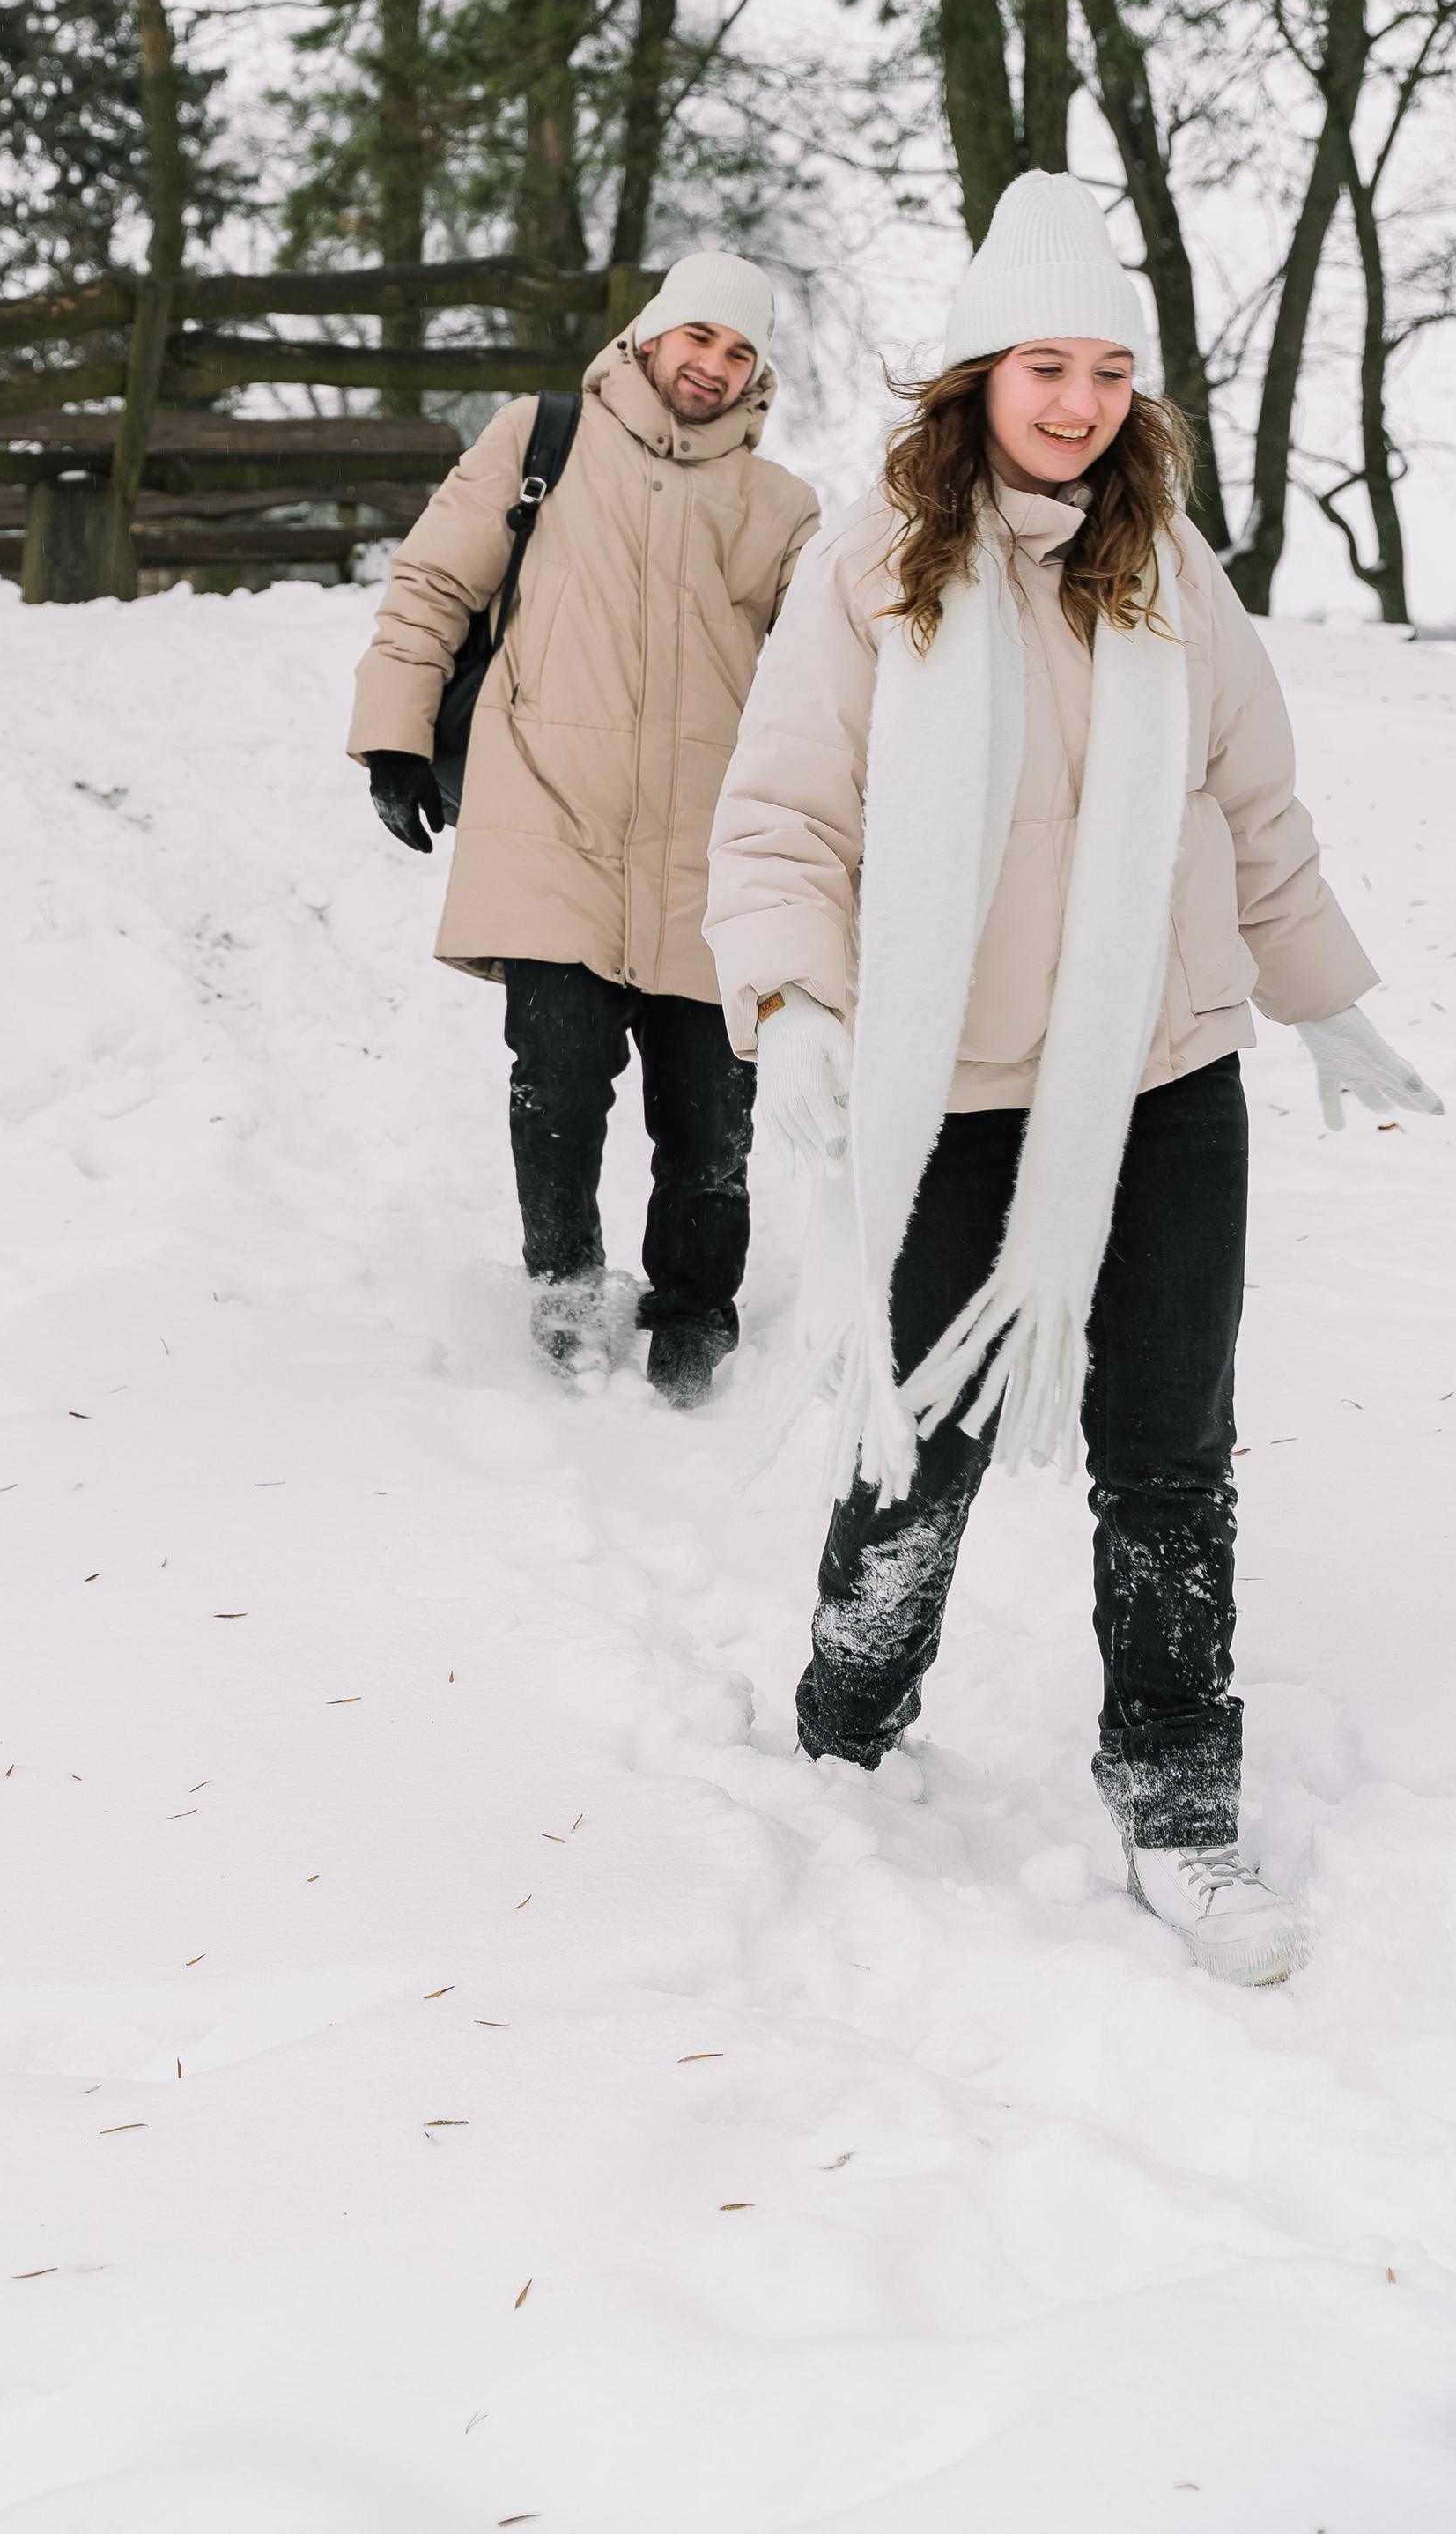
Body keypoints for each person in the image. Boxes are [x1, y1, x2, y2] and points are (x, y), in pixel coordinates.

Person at [703, 169, 1440, 1985]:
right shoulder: (870, 569)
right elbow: (782, 814)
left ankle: (1178, 1802)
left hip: (1160, 1077)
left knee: (1168, 1460)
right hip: (946, 1086)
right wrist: (791, 999)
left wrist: (1322, 1000)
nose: (1077, 401)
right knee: (922, 1440)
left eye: (1107, 370)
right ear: (975, 376)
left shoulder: (1170, 572)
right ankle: (844, 1719)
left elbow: (1251, 812)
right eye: (1044, 363)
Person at [351, 255, 820, 1403]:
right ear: (652, 336)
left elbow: (834, 681)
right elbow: (433, 586)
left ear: (758, 374)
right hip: (547, 815)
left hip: (710, 855)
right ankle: (564, 1286)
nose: (710, 366)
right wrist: (396, 735)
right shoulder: (539, 439)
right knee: (556, 1080)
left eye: (738, 352)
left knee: (710, 1112)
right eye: (695, 338)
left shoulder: (782, 511)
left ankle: (695, 1317)